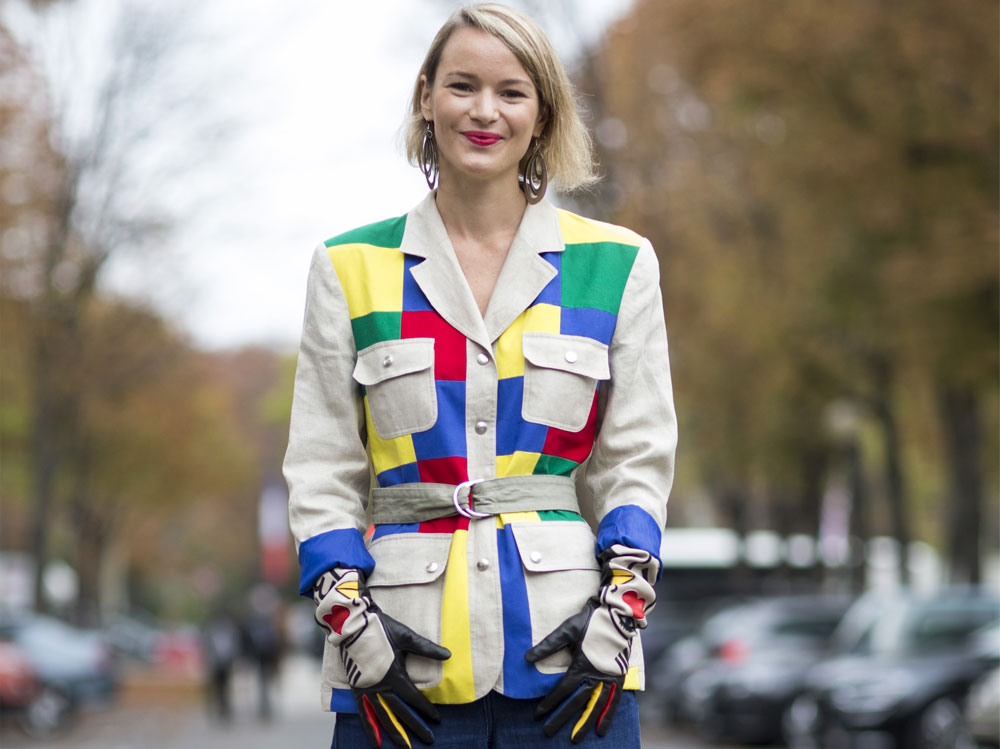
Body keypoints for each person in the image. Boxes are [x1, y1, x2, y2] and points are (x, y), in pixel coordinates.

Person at [284, 4, 677, 747]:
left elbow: (637, 459)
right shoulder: (349, 267)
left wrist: (619, 616)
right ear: (426, 97)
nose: (485, 111)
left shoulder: (617, 264)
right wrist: (353, 629)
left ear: (543, 113)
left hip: (576, 659)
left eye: (512, 91)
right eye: (462, 86)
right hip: (395, 660)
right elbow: (320, 469)